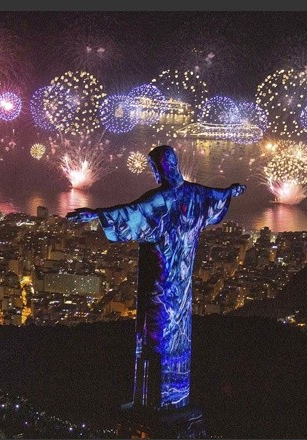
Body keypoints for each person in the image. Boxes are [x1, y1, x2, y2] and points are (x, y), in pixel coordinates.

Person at [66, 145, 246, 412]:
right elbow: (217, 197)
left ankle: (155, 403)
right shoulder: (197, 195)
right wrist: (232, 191)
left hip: (160, 279)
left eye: (154, 168)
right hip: (183, 281)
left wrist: (96, 214)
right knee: (178, 332)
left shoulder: (160, 201)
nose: (154, 173)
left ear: (165, 166)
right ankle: (175, 397)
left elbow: (130, 213)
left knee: (155, 332)